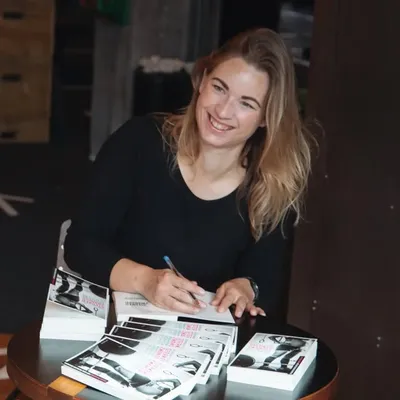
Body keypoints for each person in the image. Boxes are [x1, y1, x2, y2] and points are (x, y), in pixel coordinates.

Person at [64, 28, 312, 320]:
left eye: (246, 104)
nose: (223, 111)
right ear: (202, 81)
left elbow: (265, 279)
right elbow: (80, 245)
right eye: (219, 88)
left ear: (265, 118)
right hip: (114, 322)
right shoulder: (139, 142)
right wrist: (144, 280)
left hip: (200, 338)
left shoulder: (270, 185)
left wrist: (246, 287)